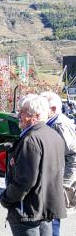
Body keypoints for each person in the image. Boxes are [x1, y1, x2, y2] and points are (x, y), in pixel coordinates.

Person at [0, 95, 67, 236]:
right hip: (44, 210)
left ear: (34, 116)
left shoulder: (31, 140)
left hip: (28, 212)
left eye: (22, 112)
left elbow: (25, 181)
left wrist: (6, 198)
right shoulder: (54, 136)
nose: (18, 115)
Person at [40, 91, 76, 236]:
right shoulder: (51, 123)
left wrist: (64, 185)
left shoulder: (60, 125)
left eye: (43, 107)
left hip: (57, 183)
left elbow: (73, 157)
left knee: (52, 221)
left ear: (53, 109)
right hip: (51, 181)